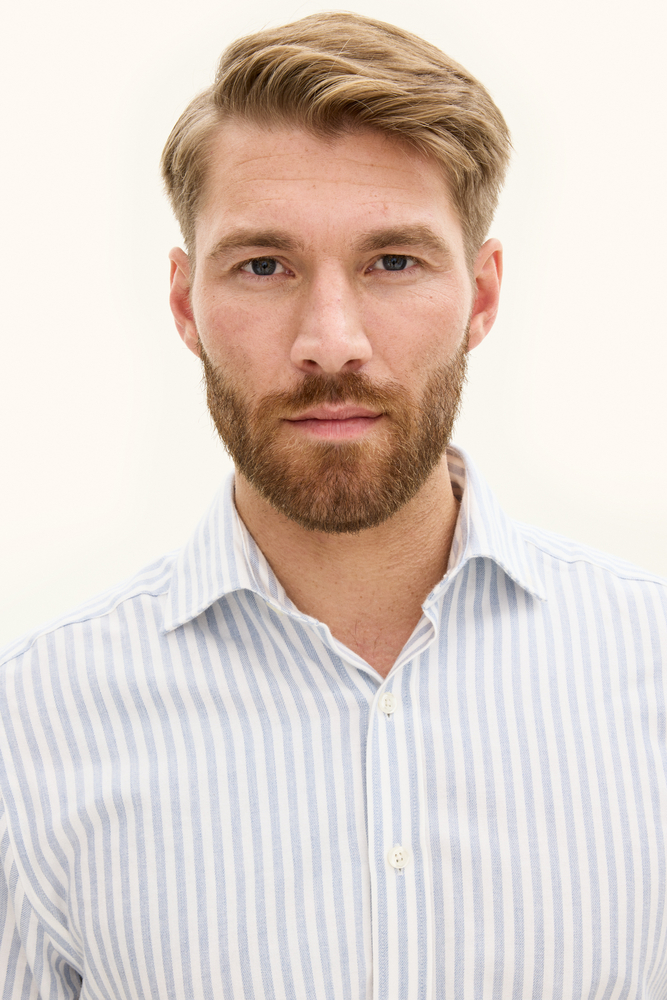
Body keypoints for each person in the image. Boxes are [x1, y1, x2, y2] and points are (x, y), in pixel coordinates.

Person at [1, 11, 665, 998]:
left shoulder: (651, 673)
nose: (330, 342)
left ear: (482, 296)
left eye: (392, 262)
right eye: (263, 266)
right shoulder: (29, 730)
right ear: (184, 304)